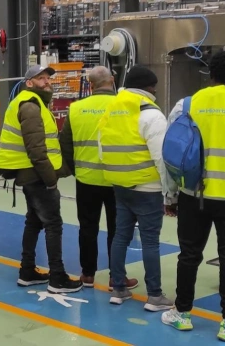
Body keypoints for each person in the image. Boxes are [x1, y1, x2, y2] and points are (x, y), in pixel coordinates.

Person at [161, 50, 225, 342]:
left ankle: (182, 314)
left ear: (210, 73)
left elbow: (170, 154)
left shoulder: (186, 105)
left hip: (193, 195)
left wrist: (170, 195)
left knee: (189, 256)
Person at [0, 65, 81, 293]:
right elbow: (36, 149)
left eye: (47, 78)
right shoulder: (31, 106)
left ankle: (27, 271)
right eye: (41, 78)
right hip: (37, 176)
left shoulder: (35, 104)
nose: (46, 82)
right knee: (53, 224)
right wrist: (50, 180)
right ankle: (57, 277)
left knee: (34, 221)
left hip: (31, 174)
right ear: (29, 83)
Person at [97, 66, 174, 310]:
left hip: (119, 185)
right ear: (149, 87)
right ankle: (155, 296)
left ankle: (118, 289)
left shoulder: (111, 110)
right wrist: (169, 192)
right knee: (150, 241)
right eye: (154, 87)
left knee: (121, 235)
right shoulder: (151, 114)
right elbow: (162, 157)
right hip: (148, 187)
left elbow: (102, 149)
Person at [60, 66, 137, 290]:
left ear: (90, 84)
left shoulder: (76, 108)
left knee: (87, 227)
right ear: (112, 80)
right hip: (117, 179)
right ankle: (116, 277)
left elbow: (65, 143)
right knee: (117, 229)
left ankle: (87, 274)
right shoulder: (124, 105)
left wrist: (76, 168)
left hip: (86, 179)